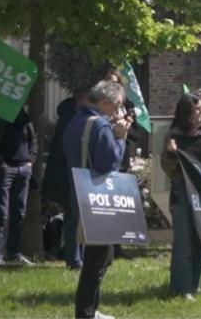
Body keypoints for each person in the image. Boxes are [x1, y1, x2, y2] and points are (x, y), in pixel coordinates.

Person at [63, 80, 132, 319]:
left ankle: (91, 310)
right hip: (98, 200)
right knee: (96, 261)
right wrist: (121, 138)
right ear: (104, 103)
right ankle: (86, 313)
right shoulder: (101, 126)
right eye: (117, 105)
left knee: (102, 257)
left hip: (79, 194)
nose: (119, 111)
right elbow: (109, 164)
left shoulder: (75, 122)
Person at [162, 93, 201, 299]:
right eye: (197, 109)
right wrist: (171, 154)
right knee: (184, 243)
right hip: (183, 195)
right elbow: (168, 169)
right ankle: (181, 288)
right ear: (186, 111)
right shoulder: (175, 134)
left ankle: (195, 284)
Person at [0, 108, 36, 266]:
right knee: (0, 213)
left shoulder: (22, 114)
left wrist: (30, 160)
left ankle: (14, 252)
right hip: (3, 168)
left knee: (18, 212)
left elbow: (32, 138)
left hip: (23, 168)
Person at [42, 86, 89, 269]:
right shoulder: (73, 118)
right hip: (71, 174)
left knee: (75, 217)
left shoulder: (69, 116)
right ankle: (74, 258)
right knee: (74, 218)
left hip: (70, 173)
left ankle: (76, 257)